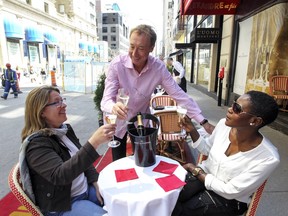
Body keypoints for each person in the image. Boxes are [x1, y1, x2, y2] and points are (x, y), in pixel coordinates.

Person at [101, 24, 214, 161]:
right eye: (132, 46)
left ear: (151, 48)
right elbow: (106, 100)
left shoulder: (158, 68)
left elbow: (178, 94)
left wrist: (203, 122)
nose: (134, 53)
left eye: (141, 48)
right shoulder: (117, 64)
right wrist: (113, 106)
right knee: (117, 161)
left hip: (140, 120)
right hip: (118, 120)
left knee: (144, 159)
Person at [172, 90, 280, 216]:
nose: (229, 109)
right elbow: (207, 149)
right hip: (203, 177)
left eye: (237, 108)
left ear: (255, 121)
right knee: (170, 196)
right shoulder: (224, 125)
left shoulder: (268, 158)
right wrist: (192, 130)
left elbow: (231, 191)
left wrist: (195, 169)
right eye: (233, 104)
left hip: (229, 199)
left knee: (184, 211)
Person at [19, 85, 115, 216]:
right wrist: (94, 142)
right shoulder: (36, 144)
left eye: (62, 100)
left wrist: (95, 181)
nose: (63, 105)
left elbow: (81, 159)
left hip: (85, 189)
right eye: (56, 102)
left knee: (120, 201)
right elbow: (60, 176)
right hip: (65, 204)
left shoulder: (64, 130)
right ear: (41, 112)